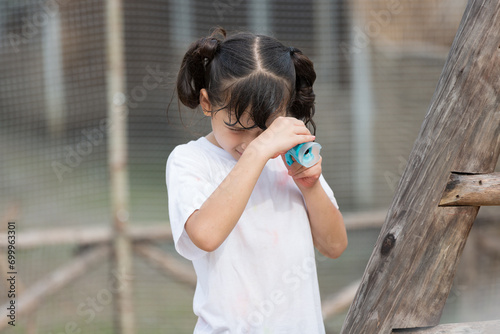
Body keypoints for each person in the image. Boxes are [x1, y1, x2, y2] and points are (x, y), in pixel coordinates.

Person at [166, 28, 347, 334]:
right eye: (238, 127)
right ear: (208, 103)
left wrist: (311, 186)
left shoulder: (287, 158)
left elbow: (334, 245)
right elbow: (205, 235)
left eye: (264, 130)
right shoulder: (191, 160)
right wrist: (261, 151)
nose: (250, 142)